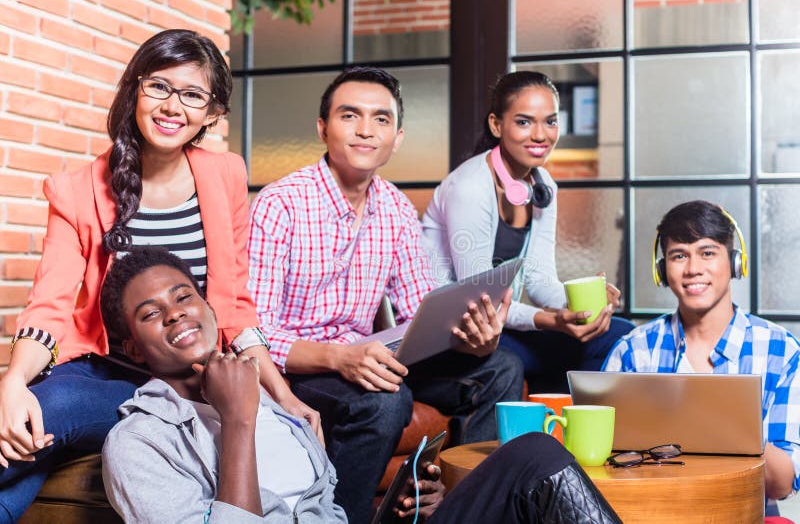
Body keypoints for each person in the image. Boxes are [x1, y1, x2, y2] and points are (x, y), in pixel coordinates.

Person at [0, 29, 316, 522]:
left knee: (45, 423)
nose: (173, 107)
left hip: (188, 378)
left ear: (212, 113)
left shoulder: (226, 175)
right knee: (39, 416)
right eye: (159, 87)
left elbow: (233, 303)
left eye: (193, 95)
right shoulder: (77, 189)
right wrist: (14, 382)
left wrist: (281, 392)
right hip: (110, 371)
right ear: (135, 89)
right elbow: (50, 304)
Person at [101, 246, 622, 524]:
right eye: (151, 314)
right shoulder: (140, 442)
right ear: (133, 348)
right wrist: (237, 422)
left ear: (210, 305)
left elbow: (325, 507)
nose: (176, 315)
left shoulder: (272, 401)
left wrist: (400, 509)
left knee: (534, 455)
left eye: (184, 296)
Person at [247, 66, 524, 523]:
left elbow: (421, 311)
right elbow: (255, 332)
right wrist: (338, 358)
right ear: (323, 128)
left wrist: (476, 334)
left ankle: (464, 514)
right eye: (349, 115)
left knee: (501, 367)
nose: (364, 130)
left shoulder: (395, 207)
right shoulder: (280, 205)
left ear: (396, 137)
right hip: (301, 365)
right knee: (383, 399)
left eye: (380, 119)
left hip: (370, 356)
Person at [420, 71, 634, 393]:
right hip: (452, 336)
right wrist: (551, 321)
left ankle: (566, 432)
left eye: (550, 122)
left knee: (617, 334)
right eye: (523, 122)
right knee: (521, 359)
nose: (540, 135)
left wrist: (584, 305)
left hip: (494, 326)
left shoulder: (543, 185)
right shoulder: (470, 187)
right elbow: (480, 302)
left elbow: (538, 279)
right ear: (496, 125)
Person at [603, 200, 799, 513]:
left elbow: (781, 484)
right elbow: (602, 468)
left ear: (735, 263)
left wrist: (725, 425)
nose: (693, 268)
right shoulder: (632, 352)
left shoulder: (781, 351)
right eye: (679, 255)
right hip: (648, 512)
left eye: (707, 253)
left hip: (741, 514)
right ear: (662, 270)